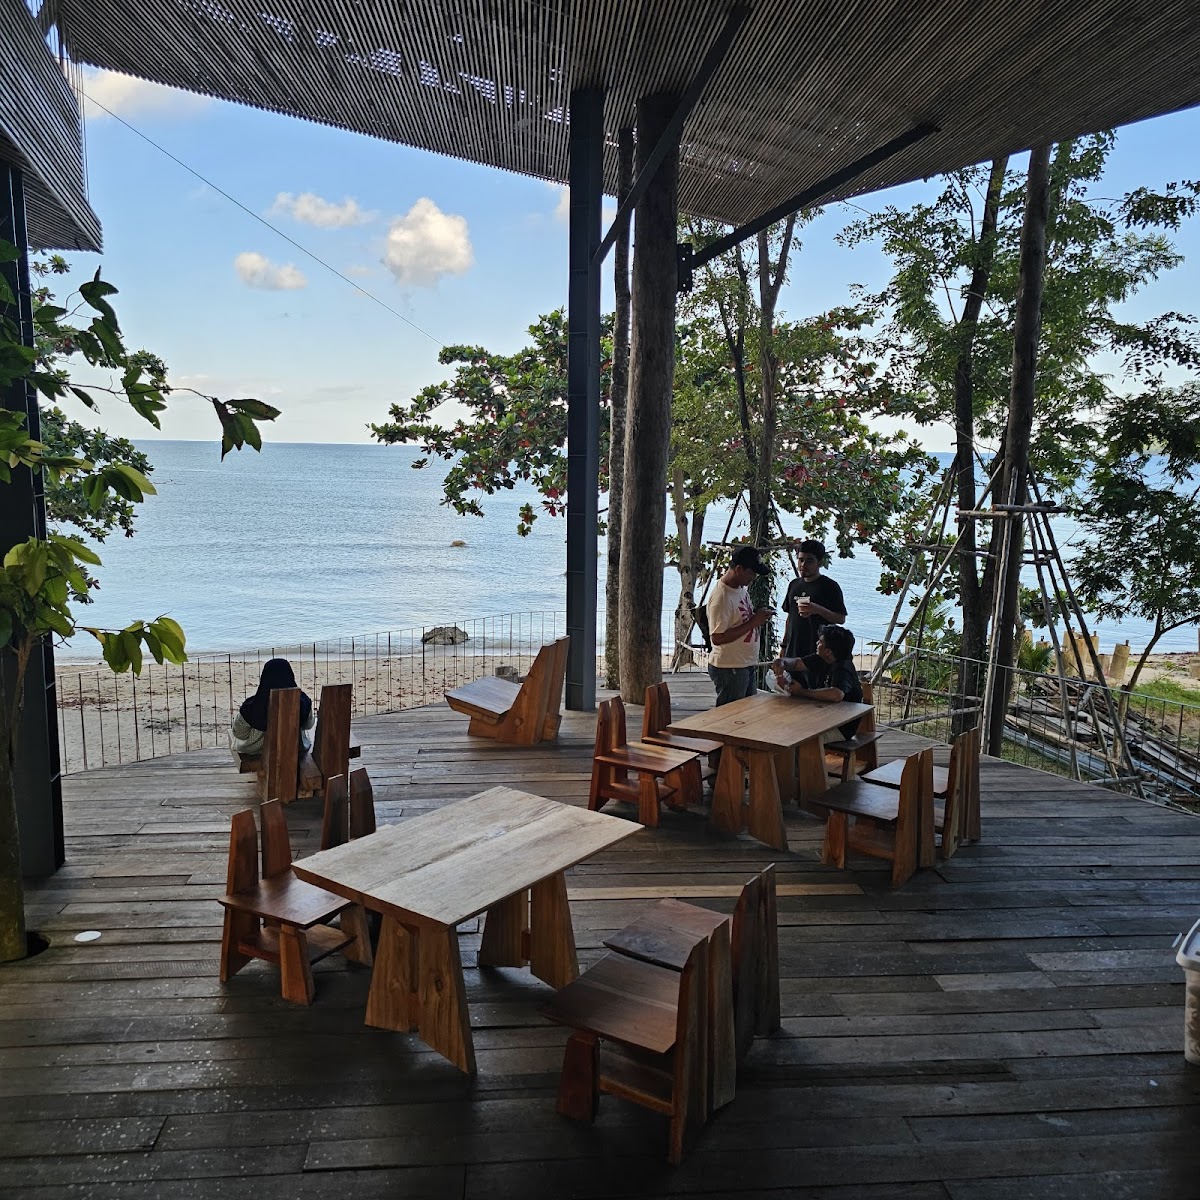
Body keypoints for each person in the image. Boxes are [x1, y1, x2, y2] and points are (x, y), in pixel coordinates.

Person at [706, 545, 773, 706]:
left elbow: (740, 619)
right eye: (751, 573)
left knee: (746, 717)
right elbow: (717, 637)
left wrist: (758, 615)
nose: (754, 577)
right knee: (730, 720)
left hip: (743, 664)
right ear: (739, 569)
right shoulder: (721, 598)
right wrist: (754, 622)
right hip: (730, 667)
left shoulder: (740, 588)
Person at [772, 624, 864, 739]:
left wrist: (801, 692)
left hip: (841, 727)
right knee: (785, 725)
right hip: (826, 719)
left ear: (828, 651)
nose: (817, 643)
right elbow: (796, 663)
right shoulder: (822, 659)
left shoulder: (843, 668)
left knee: (794, 736)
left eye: (820, 642)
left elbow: (836, 694)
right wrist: (782, 662)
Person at [230, 658, 315, 756]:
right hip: (294, 749)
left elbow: (240, 734)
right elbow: (308, 725)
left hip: (258, 751)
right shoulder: (303, 701)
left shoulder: (251, 707)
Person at [780, 539, 847, 662]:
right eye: (801, 560)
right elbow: (790, 618)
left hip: (818, 654)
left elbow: (840, 618)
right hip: (793, 651)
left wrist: (817, 609)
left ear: (819, 562)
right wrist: (784, 646)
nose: (803, 565)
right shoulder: (794, 585)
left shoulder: (830, 587)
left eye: (809, 561)